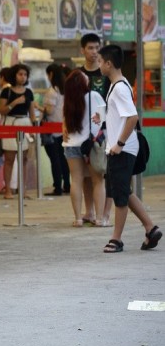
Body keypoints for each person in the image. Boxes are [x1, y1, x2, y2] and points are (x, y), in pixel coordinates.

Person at [97, 45, 161, 253]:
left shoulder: (120, 88)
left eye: (100, 61)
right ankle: (150, 229)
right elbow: (121, 116)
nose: (98, 65)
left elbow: (133, 117)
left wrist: (119, 144)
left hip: (122, 150)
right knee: (122, 190)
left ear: (108, 63)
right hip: (119, 148)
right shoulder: (118, 85)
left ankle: (116, 239)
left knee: (120, 195)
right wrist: (103, 119)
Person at [62, 69, 106, 228]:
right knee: (98, 181)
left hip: (71, 145)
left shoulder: (68, 101)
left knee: (76, 181)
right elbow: (104, 117)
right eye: (85, 77)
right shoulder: (94, 96)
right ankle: (100, 218)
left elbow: (65, 122)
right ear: (82, 82)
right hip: (91, 146)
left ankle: (78, 218)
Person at [78, 33, 112, 226]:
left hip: (104, 132)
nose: (94, 52)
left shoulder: (105, 73)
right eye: (90, 48)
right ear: (82, 50)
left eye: (97, 48)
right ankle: (89, 211)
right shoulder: (78, 75)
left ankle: (105, 213)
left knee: (103, 172)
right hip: (83, 132)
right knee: (85, 175)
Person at [0, 63, 37, 200]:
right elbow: (2, 110)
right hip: (10, 122)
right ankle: (8, 189)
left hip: (25, 123)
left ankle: (23, 189)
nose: (23, 77)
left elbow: (32, 113)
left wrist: (33, 128)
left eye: (25, 74)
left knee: (24, 159)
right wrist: (14, 102)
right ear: (14, 75)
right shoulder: (6, 91)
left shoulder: (28, 92)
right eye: (20, 74)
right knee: (9, 158)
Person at [41, 63, 70, 197]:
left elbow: (50, 110)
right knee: (63, 158)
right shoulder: (65, 89)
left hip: (52, 128)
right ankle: (67, 185)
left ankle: (57, 186)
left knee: (55, 159)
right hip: (64, 127)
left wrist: (40, 107)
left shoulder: (52, 91)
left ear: (51, 74)